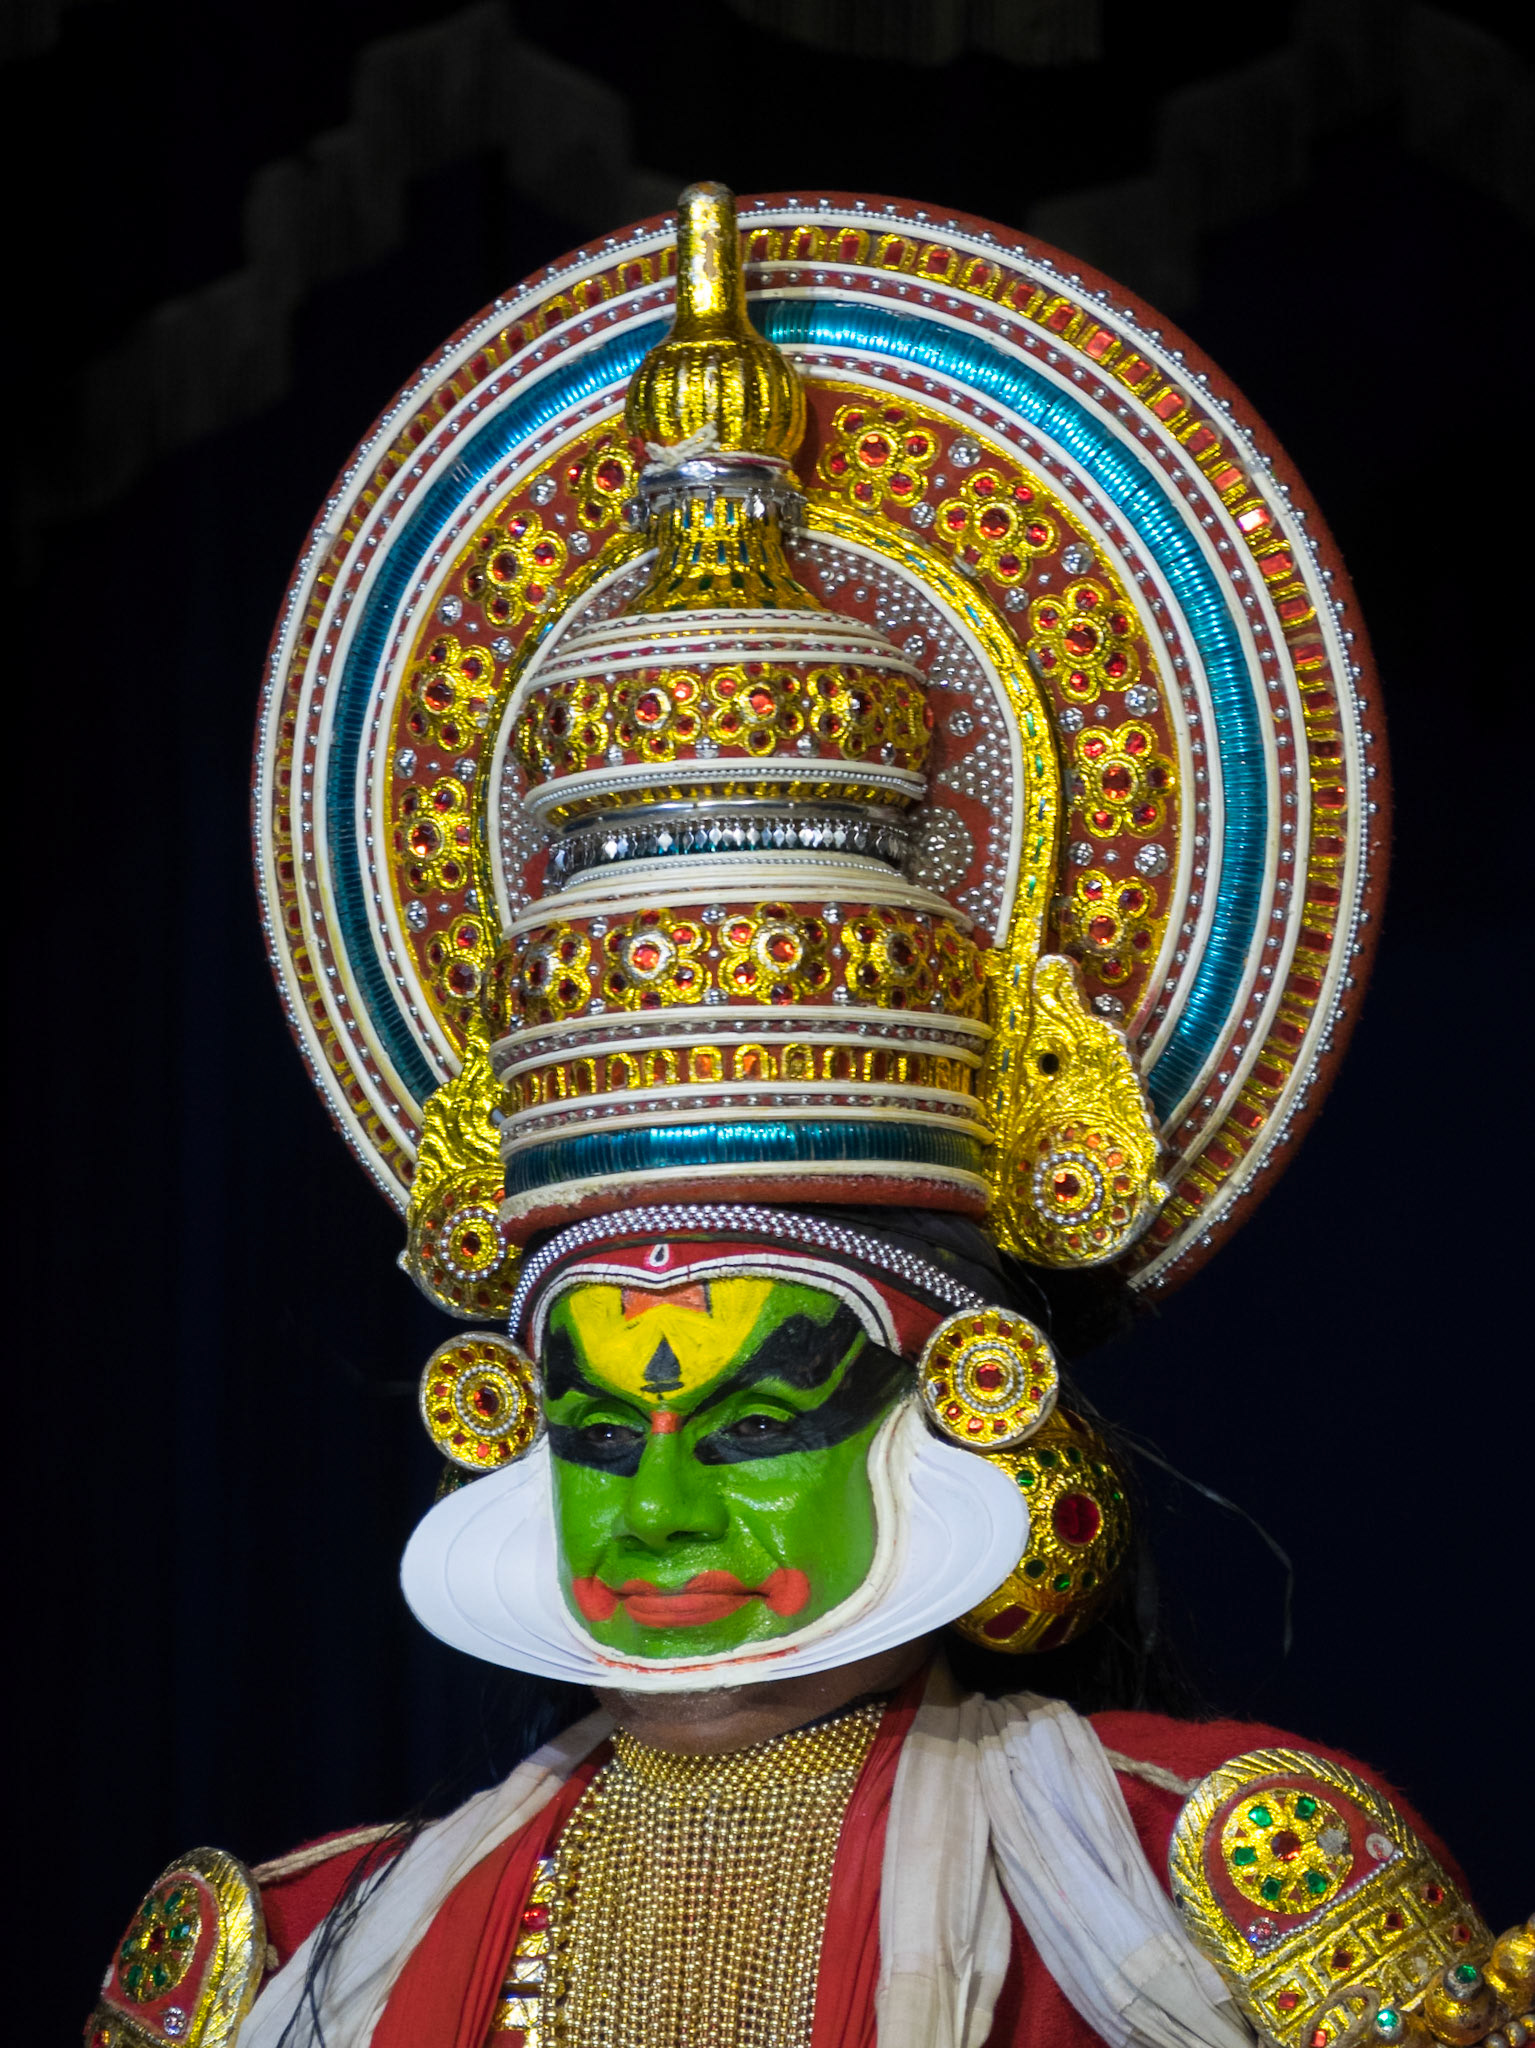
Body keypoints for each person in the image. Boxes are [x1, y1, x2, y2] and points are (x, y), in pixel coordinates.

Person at [87, 184, 1530, 2048]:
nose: (662, 1519)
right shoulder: (282, 1964)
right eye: (604, 1433)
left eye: (762, 1416)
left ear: (974, 1399)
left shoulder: (1237, 1896)